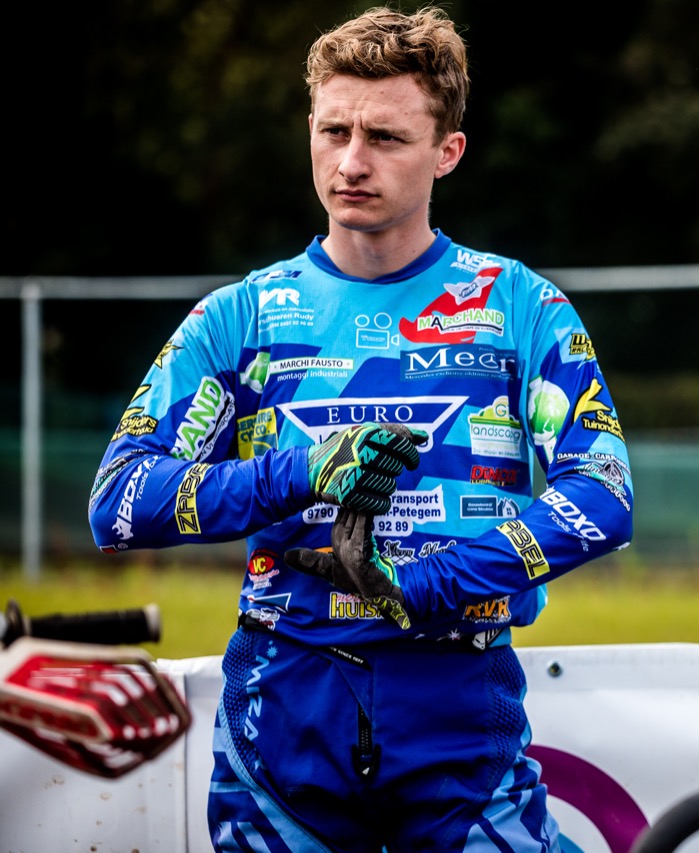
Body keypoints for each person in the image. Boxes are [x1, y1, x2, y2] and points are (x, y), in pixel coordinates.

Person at [87, 6, 633, 851]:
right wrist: (300, 471)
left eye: (384, 137)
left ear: (447, 151)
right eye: (332, 130)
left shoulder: (520, 305)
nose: (350, 162)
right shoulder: (240, 316)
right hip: (284, 699)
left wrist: (435, 581)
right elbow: (119, 501)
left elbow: (604, 496)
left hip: (460, 698)